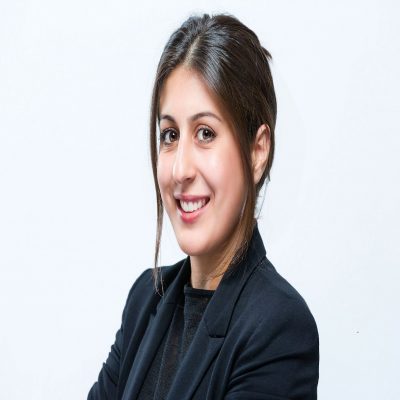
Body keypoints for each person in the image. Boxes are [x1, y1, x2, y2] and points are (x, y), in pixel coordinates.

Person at [87, 13, 319, 400]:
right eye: (170, 135)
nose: (180, 169)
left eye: (205, 133)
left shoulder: (278, 327)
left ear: (257, 150)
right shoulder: (145, 300)